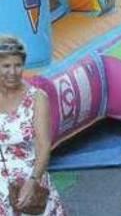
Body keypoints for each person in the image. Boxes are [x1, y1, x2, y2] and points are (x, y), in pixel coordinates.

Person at [0, 37, 66, 216]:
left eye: (17, 65)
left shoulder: (37, 98)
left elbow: (44, 147)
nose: (12, 72)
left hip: (30, 180)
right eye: (6, 66)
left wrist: (33, 181)